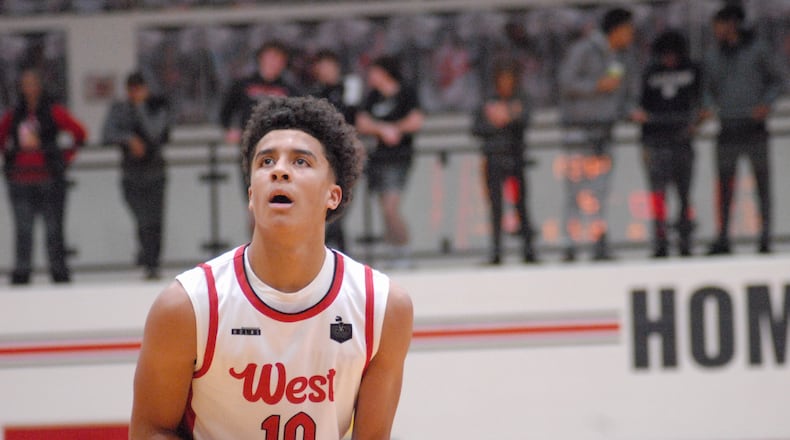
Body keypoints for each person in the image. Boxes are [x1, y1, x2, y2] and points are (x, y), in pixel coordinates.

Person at [130, 96, 413, 439]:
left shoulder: (382, 307)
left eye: (301, 162)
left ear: (333, 196)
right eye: (266, 161)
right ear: (251, 195)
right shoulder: (186, 306)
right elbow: (149, 430)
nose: (279, 170)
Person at [557, 7, 639, 262]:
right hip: (579, 130)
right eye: (628, 30)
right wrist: (596, 86)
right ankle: (569, 244)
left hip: (604, 131)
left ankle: (597, 243)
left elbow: (623, 94)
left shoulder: (622, 58)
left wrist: (629, 111)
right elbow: (565, 82)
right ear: (616, 29)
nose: (631, 36)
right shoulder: (584, 49)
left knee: (601, 191)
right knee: (575, 189)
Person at [703, 4, 786, 255]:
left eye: (719, 25)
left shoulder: (757, 49)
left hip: (754, 127)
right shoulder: (712, 55)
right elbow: (707, 89)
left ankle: (765, 235)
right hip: (728, 126)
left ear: (732, 25)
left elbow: (779, 80)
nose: (716, 31)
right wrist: (708, 106)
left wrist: (766, 104)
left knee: (762, 184)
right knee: (725, 185)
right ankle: (724, 236)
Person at [0, 67, 86, 285]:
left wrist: (63, 159)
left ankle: (58, 272)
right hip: (20, 178)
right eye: (25, 84)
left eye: (32, 83)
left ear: (39, 86)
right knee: (23, 230)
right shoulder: (14, 113)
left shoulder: (53, 111)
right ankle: (22, 272)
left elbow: (79, 133)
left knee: (53, 230)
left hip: (48, 178)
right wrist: (10, 159)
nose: (28, 88)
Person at [634, 31, 702, 258]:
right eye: (665, 55)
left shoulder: (692, 70)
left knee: (684, 194)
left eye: (673, 55)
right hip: (655, 141)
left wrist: (697, 121)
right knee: (658, 196)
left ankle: (685, 239)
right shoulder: (651, 72)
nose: (669, 59)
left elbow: (703, 100)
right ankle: (660, 240)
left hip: (682, 140)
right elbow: (639, 105)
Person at [102, 71, 172, 280]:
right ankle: (144, 252)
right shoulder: (120, 109)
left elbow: (155, 133)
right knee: (141, 217)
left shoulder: (157, 106)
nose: (135, 94)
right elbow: (106, 134)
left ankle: (152, 262)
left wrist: (141, 109)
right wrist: (128, 139)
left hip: (154, 172)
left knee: (154, 219)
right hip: (130, 173)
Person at [355, 56, 424, 268]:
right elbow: (362, 122)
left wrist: (397, 129)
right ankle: (394, 251)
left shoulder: (405, 92)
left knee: (391, 208)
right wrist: (381, 130)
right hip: (379, 158)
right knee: (383, 208)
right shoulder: (373, 96)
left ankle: (404, 249)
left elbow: (416, 120)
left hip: (399, 157)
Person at [471, 60, 536, 265]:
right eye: (502, 80)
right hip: (493, 160)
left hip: (516, 159)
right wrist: (495, 120)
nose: (506, 84)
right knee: (496, 208)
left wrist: (508, 116)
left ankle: (529, 251)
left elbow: (525, 120)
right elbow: (476, 128)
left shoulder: (521, 99)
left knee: (521, 206)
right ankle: (497, 252)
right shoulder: (488, 101)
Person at [220, 40, 297, 189]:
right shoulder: (243, 84)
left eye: (278, 59)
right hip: (250, 146)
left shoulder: (289, 89)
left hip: (280, 147)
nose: (274, 63)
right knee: (253, 191)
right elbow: (226, 111)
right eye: (270, 57)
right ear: (261, 59)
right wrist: (229, 129)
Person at [308, 49, 360, 253]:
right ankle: (331, 249)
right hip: (324, 157)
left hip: (345, 156)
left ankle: (332, 249)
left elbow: (354, 116)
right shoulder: (315, 94)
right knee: (326, 206)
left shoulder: (348, 88)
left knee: (341, 206)